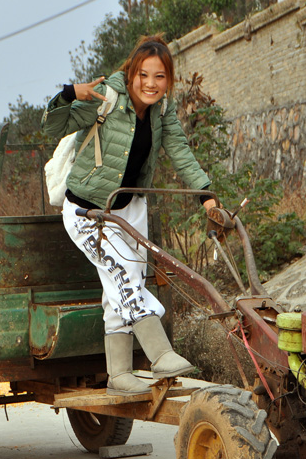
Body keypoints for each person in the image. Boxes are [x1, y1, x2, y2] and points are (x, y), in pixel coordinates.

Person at [42, 35, 217, 396]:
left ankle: (119, 373)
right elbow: (52, 128)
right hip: (86, 212)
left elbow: (180, 152)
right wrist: (69, 94)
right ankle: (160, 353)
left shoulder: (162, 111)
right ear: (131, 72)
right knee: (122, 273)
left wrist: (207, 199)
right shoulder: (106, 96)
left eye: (160, 77)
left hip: (131, 210)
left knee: (116, 289)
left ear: (168, 80)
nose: (151, 84)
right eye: (143, 75)